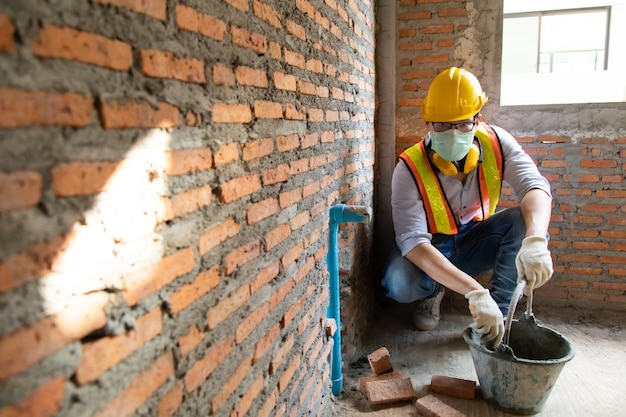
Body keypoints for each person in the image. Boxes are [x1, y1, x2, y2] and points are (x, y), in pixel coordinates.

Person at [382, 67, 553, 346]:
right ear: (428, 123)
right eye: (441, 125)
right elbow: (413, 243)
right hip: (433, 247)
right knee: (398, 282)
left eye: (462, 124)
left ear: (477, 120)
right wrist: (475, 292)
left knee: (523, 223)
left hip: (476, 240)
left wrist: (535, 240)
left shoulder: (498, 144)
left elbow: (535, 186)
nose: (452, 133)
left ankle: (496, 316)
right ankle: (435, 291)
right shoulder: (408, 168)